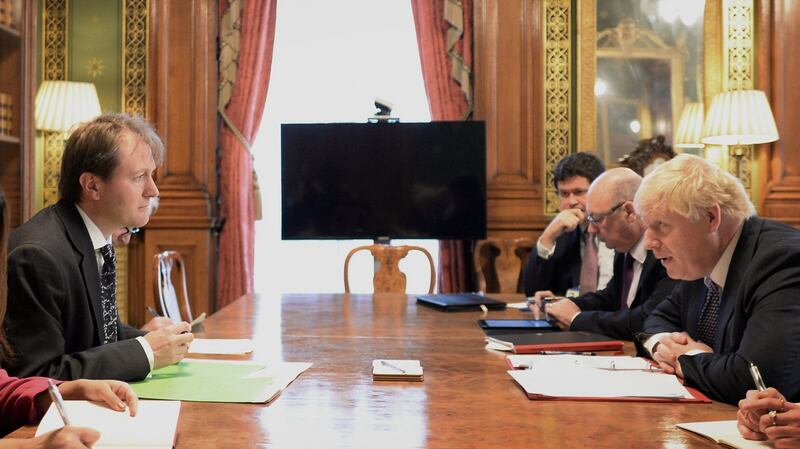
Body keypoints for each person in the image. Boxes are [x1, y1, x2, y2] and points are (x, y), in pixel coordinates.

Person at [3, 113, 193, 382]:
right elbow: (37, 377)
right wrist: (145, 352)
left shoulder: (96, 237)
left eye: (152, 176)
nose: (153, 191)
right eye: (140, 177)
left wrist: (150, 341)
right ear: (92, 185)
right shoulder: (36, 256)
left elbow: (96, 334)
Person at [635, 154, 800, 405]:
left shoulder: (781, 260)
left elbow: (757, 381)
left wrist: (685, 358)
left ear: (711, 217)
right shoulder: (699, 261)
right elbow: (656, 319)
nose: (649, 242)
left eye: (661, 225)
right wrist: (663, 347)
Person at [0, 191, 138, 447]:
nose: (152, 190)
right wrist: (31, 446)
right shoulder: (38, 250)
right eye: (139, 177)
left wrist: (71, 390)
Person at [529, 168, 677, 341]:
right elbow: (610, 298)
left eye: (597, 219)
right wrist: (569, 305)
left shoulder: (667, 253)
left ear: (629, 212)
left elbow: (648, 319)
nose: (591, 229)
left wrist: (576, 319)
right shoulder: (624, 249)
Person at [522, 152, 614, 296]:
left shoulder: (621, 230)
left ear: (599, 190)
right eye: (564, 194)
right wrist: (547, 238)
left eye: (579, 192)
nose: (571, 202)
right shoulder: (562, 235)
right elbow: (532, 293)